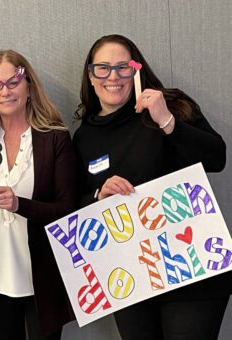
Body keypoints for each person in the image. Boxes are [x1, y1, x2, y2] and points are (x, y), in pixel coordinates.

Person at [73, 34, 229, 340]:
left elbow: (217, 158)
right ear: (91, 77)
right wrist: (97, 196)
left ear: (137, 70)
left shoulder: (169, 107)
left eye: (123, 67)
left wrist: (168, 121)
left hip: (192, 266)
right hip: (131, 275)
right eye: (103, 68)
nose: (113, 76)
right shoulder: (84, 137)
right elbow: (74, 205)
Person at [0, 50, 76, 340]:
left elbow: (67, 209)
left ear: (29, 87)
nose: (5, 92)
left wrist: (20, 204)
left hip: (42, 278)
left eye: (13, 83)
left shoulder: (54, 138)